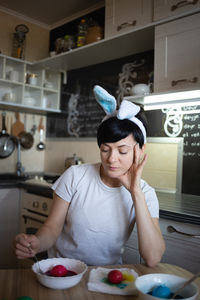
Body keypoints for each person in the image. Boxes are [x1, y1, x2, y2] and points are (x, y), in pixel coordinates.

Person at [14, 85, 165, 267]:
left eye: (122, 151)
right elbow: (52, 228)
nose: (111, 159)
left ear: (141, 150)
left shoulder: (146, 194)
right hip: (63, 270)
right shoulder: (75, 176)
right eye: (105, 149)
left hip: (107, 276)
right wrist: (37, 243)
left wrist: (135, 192)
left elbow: (153, 257)